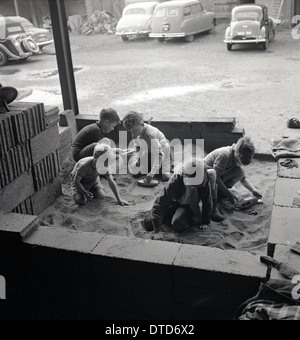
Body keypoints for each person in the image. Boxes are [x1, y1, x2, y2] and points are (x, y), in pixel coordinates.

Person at [144, 158, 214, 233]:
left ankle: (185, 217)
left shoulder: (203, 178)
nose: (193, 186)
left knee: (178, 223)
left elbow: (207, 201)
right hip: (174, 202)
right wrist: (157, 231)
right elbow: (160, 202)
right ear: (185, 175)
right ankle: (169, 218)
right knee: (149, 223)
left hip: (188, 206)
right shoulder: (176, 179)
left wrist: (205, 221)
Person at [204, 137, 262, 206]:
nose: (240, 163)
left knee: (240, 172)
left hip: (219, 175)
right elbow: (216, 177)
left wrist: (253, 190)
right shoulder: (224, 155)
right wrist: (228, 194)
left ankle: (220, 192)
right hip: (207, 178)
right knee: (215, 179)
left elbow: (243, 178)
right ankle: (217, 194)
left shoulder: (235, 156)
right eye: (240, 160)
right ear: (238, 153)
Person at [123, 111, 172, 182]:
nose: (133, 134)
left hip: (162, 152)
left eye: (135, 131)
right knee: (135, 173)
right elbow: (137, 146)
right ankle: (152, 166)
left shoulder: (150, 135)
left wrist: (151, 175)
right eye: (131, 131)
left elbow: (159, 155)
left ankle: (170, 163)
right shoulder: (135, 131)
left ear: (142, 124)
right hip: (148, 152)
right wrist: (138, 158)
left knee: (165, 177)